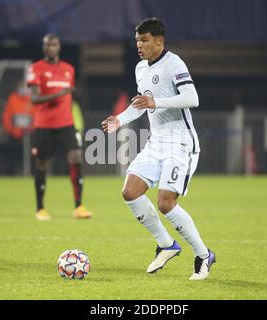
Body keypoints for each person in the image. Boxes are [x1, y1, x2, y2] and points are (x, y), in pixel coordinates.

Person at [101, 18, 215, 281]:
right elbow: (141, 103)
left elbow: (192, 98)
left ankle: (203, 254)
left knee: (165, 203)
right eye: (137, 40)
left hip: (180, 142)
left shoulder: (174, 63)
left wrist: (155, 102)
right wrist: (120, 119)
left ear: (159, 41)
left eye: (144, 40)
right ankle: (166, 244)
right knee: (129, 191)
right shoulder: (141, 68)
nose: (139, 45)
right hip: (156, 142)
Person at [27, 33, 92, 220]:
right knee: (42, 164)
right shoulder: (36, 69)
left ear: (59, 47)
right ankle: (40, 208)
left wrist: (65, 97)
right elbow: (34, 98)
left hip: (66, 124)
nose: (51, 47)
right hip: (44, 125)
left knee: (76, 158)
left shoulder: (68, 69)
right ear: (43, 47)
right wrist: (59, 94)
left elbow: (68, 95)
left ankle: (78, 206)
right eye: (47, 45)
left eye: (54, 44)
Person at [1, 81, 35, 174]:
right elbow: (7, 116)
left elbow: (36, 116)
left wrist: (31, 128)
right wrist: (10, 129)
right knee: (12, 154)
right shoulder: (13, 98)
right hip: (14, 134)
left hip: (29, 133)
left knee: (32, 153)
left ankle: (31, 173)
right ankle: (12, 173)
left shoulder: (32, 99)